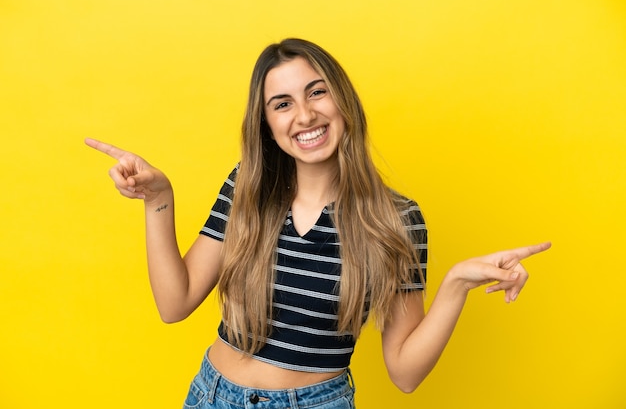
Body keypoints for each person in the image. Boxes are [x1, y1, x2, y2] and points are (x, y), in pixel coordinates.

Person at [85, 38, 551, 409]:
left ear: (342, 100)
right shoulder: (246, 186)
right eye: (282, 104)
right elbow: (174, 303)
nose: (304, 115)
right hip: (213, 397)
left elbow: (405, 375)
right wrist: (158, 200)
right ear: (267, 124)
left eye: (317, 91)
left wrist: (454, 285)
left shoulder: (396, 220)